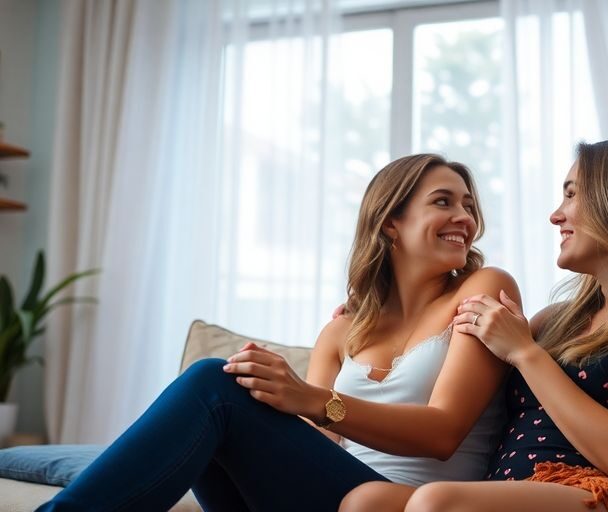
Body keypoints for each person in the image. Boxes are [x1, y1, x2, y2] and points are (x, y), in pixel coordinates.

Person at [37, 154, 520, 511]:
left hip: (406, 502)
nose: (465, 217)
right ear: (391, 223)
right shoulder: (343, 330)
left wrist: (312, 399)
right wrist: (270, 396)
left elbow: (443, 433)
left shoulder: (483, 289)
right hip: (327, 493)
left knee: (214, 385)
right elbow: (313, 449)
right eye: (444, 201)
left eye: (468, 205)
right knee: (230, 386)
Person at [339, 139, 608, 512]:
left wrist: (525, 353)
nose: (556, 214)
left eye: (572, 195)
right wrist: (378, 314)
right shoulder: (554, 322)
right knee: (368, 501)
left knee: (436, 503)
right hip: (507, 492)